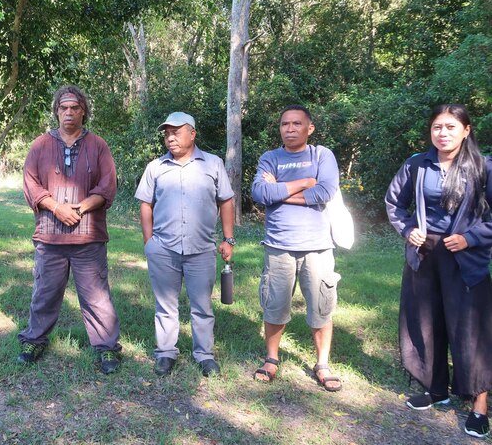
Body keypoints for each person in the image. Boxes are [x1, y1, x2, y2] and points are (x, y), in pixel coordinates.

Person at [385, 104, 492, 439]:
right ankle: (436, 390)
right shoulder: (418, 164)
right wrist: (408, 231)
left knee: (469, 329)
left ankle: (480, 406)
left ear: (466, 130)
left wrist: (471, 237)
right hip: (424, 253)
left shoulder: (483, 167)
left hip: (465, 256)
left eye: (450, 127)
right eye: (437, 127)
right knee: (424, 322)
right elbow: (394, 203)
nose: (443, 134)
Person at [17, 85, 122, 374]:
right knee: (45, 292)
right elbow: (31, 183)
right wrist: (56, 207)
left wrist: (82, 207)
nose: (68, 112)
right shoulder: (40, 145)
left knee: (96, 296)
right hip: (50, 235)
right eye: (63, 107)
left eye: (75, 107)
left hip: (88, 236)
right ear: (56, 111)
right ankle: (34, 339)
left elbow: (107, 184)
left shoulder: (98, 145)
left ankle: (106, 348)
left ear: (83, 111)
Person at [135, 112, 235, 377]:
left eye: (176, 132)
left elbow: (226, 200)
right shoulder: (155, 167)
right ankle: (166, 353)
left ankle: (204, 355)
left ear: (192, 134)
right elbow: (146, 204)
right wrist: (149, 242)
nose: (170, 138)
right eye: (167, 133)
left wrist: (228, 238)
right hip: (164, 249)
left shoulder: (212, 164)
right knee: (165, 305)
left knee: (202, 305)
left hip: (201, 250)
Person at [250, 104, 343, 391]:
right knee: (274, 307)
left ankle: (323, 364)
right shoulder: (270, 157)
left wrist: (280, 191)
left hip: (317, 247)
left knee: (321, 308)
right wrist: (303, 183)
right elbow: (259, 192)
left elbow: (326, 191)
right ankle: (271, 359)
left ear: (309, 128)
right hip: (279, 246)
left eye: (296, 124)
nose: (290, 129)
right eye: (284, 124)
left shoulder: (321, 155)